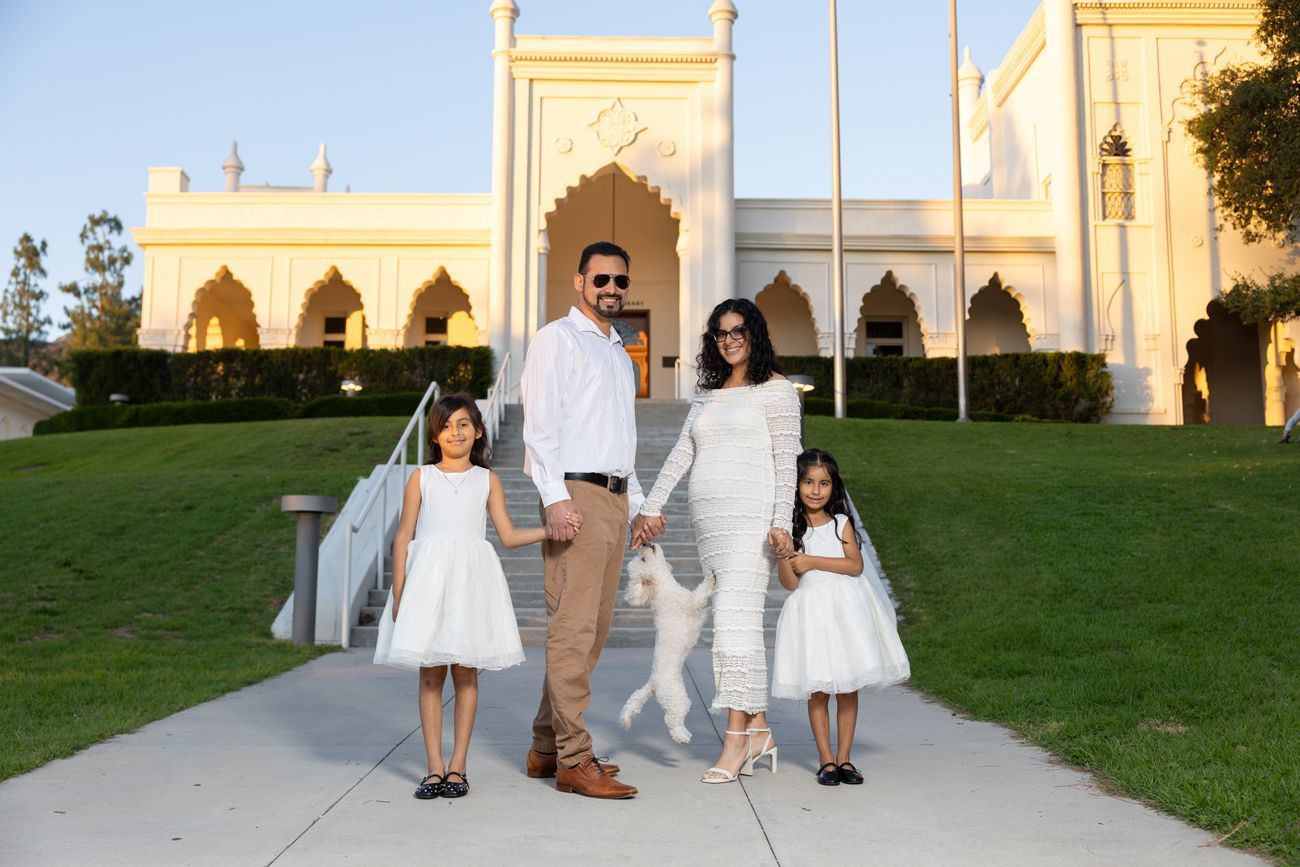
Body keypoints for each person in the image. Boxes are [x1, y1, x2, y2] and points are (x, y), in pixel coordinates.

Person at [631, 297, 801, 784]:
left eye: (738, 331)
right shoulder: (708, 393)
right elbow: (682, 451)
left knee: (732, 625)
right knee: (736, 623)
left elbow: (787, 461)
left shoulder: (778, 391)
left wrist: (781, 523)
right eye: (720, 333)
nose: (729, 341)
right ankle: (760, 731)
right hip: (710, 524)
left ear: (755, 334)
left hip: (751, 522)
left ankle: (735, 742)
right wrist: (651, 505)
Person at [373, 394, 573, 800]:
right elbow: (403, 535)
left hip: (469, 584)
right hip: (427, 584)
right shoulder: (421, 478)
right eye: (446, 426)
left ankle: (458, 766)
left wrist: (549, 530)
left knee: (465, 674)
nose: (455, 432)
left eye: (463, 424)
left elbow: (508, 535)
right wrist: (399, 590)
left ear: (478, 431)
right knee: (430, 675)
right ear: (435, 435)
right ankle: (434, 767)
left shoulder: (486, 480)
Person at [522, 240, 643, 799]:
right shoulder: (557, 338)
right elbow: (539, 427)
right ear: (580, 282)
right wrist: (554, 497)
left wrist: (637, 505)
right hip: (575, 493)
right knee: (573, 630)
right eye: (601, 280)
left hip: (613, 497)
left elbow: (623, 440)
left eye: (620, 281)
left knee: (590, 631)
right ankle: (574, 758)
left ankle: (546, 748)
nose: (611, 289)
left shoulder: (619, 353)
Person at [770, 448, 911, 786]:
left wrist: (811, 560)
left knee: (848, 688)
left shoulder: (840, 524)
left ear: (834, 487)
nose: (816, 490)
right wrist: (785, 554)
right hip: (812, 616)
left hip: (846, 616)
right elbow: (791, 583)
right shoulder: (792, 531)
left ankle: (845, 758)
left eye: (824, 483)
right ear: (796, 485)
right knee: (818, 689)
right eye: (808, 482)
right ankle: (826, 760)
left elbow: (855, 565)